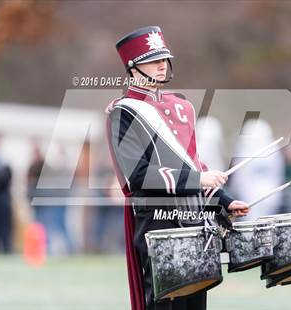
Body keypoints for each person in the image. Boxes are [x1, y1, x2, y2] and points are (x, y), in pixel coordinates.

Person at [106, 26, 250, 310]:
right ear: (133, 66)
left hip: (193, 218)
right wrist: (198, 178)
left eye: (164, 59)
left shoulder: (182, 107)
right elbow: (139, 176)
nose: (162, 65)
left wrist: (225, 201)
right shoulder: (123, 112)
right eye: (153, 60)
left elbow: (194, 166)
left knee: (195, 302)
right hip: (157, 219)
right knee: (166, 303)